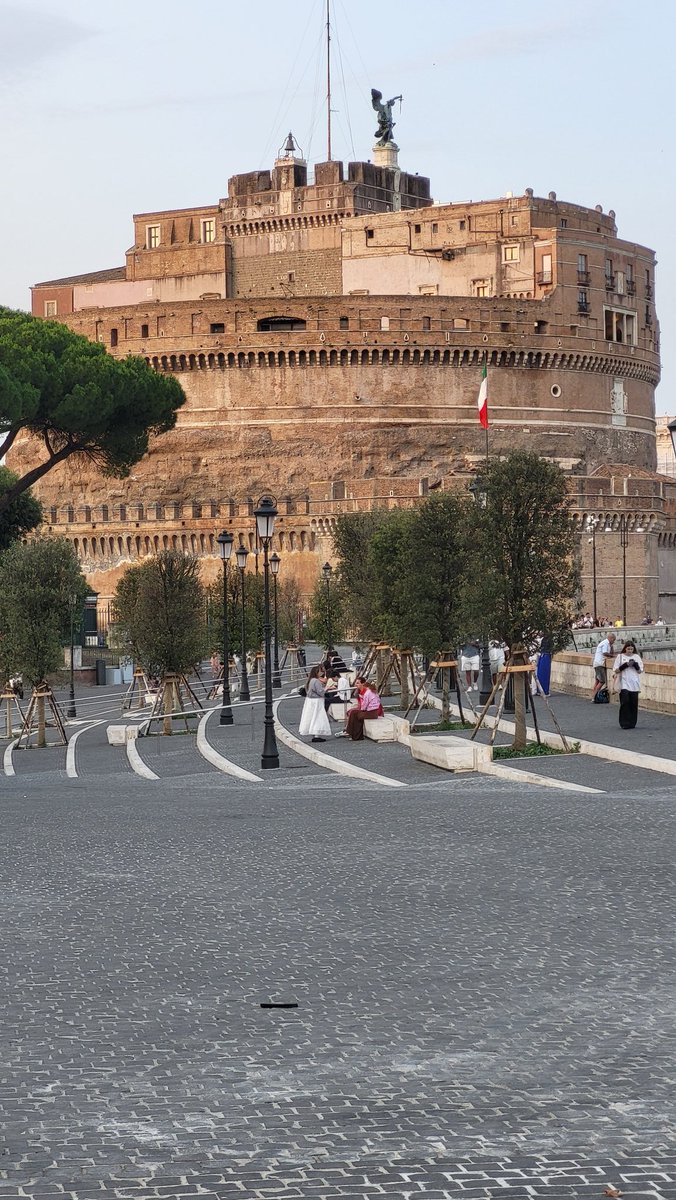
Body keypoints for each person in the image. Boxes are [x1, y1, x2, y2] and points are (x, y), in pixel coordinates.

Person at [612, 640, 644, 729]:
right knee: (625, 702)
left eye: (631, 649)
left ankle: (632, 722)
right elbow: (616, 670)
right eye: (628, 649)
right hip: (624, 682)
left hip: (634, 682)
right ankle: (624, 722)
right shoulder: (620, 657)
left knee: (633, 703)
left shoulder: (637, 657)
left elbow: (640, 671)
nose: (630, 651)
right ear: (625, 649)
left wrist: (635, 665)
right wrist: (625, 665)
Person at [298, 665, 332, 743]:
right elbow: (320, 692)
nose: (322, 673)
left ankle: (314, 734)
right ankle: (317, 734)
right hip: (317, 701)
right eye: (321, 671)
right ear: (317, 672)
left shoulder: (310, 680)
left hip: (310, 701)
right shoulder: (316, 681)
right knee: (318, 717)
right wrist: (326, 689)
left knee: (312, 716)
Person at [592, 631, 616, 700]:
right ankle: (594, 696)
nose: (614, 641)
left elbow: (610, 652)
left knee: (597, 681)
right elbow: (605, 653)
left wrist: (611, 646)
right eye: (613, 640)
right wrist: (613, 655)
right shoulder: (606, 643)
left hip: (597, 663)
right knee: (602, 681)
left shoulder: (607, 644)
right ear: (611, 638)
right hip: (600, 664)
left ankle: (593, 696)